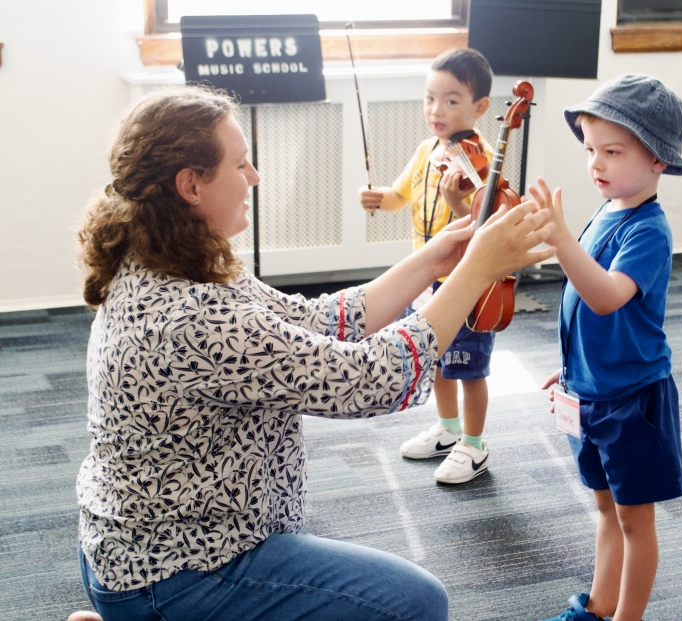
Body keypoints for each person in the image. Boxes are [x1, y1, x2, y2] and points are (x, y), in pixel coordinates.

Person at [74, 86, 555, 621]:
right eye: (241, 164)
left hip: (162, 543)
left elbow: (322, 320)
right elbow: (367, 379)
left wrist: (434, 260)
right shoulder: (187, 316)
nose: (254, 176)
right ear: (190, 185)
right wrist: (473, 274)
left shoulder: (180, 262)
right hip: (178, 572)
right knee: (417, 604)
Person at [532, 74, 682, 621]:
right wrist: (571, 368)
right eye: (590, 150)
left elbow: (603, 298)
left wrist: (560, 241)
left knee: (633, 520)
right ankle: (597, 608)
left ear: (658, 162)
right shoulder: (608, 210)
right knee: (605, 508)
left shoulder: (649, 230)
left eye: (613, 152)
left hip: (631, 400)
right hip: (592, 392)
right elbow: (581, 309)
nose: (595, 164)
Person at [358, 48, 499, 485]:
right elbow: (402, 196)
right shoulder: (426, 151)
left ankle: (474, 444)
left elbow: (484, 222)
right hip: (428, 278)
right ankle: (448, 429)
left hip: (465, 280)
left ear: (479, 108)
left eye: (451, 100)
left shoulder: (480, 159)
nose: (436, 109)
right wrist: (379, 197)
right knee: (436, 356)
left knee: (469, 365)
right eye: (429, 98)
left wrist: (458, 201)